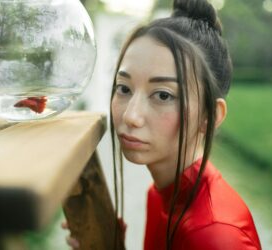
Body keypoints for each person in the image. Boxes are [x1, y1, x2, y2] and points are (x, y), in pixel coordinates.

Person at [63, 0, 261, 249]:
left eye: (163, 95)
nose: (130, 116)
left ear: (210, 115)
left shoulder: (215, 236)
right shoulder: (159, 195)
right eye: (123, 88)